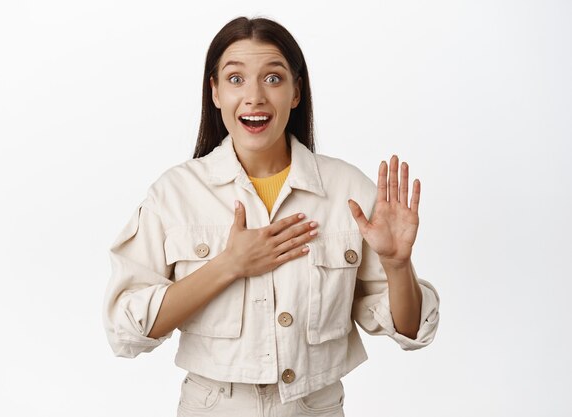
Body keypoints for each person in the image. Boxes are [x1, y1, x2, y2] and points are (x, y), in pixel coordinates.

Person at [102, 16, 440, 417]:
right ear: (214, 91)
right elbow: (125, 332)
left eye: (274, 79)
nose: (255, 97)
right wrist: (229, 265)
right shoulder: (175, 194)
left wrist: (397, 265)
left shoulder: (348, 191)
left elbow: (410, 330)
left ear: (296, 92)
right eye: (235, 79)